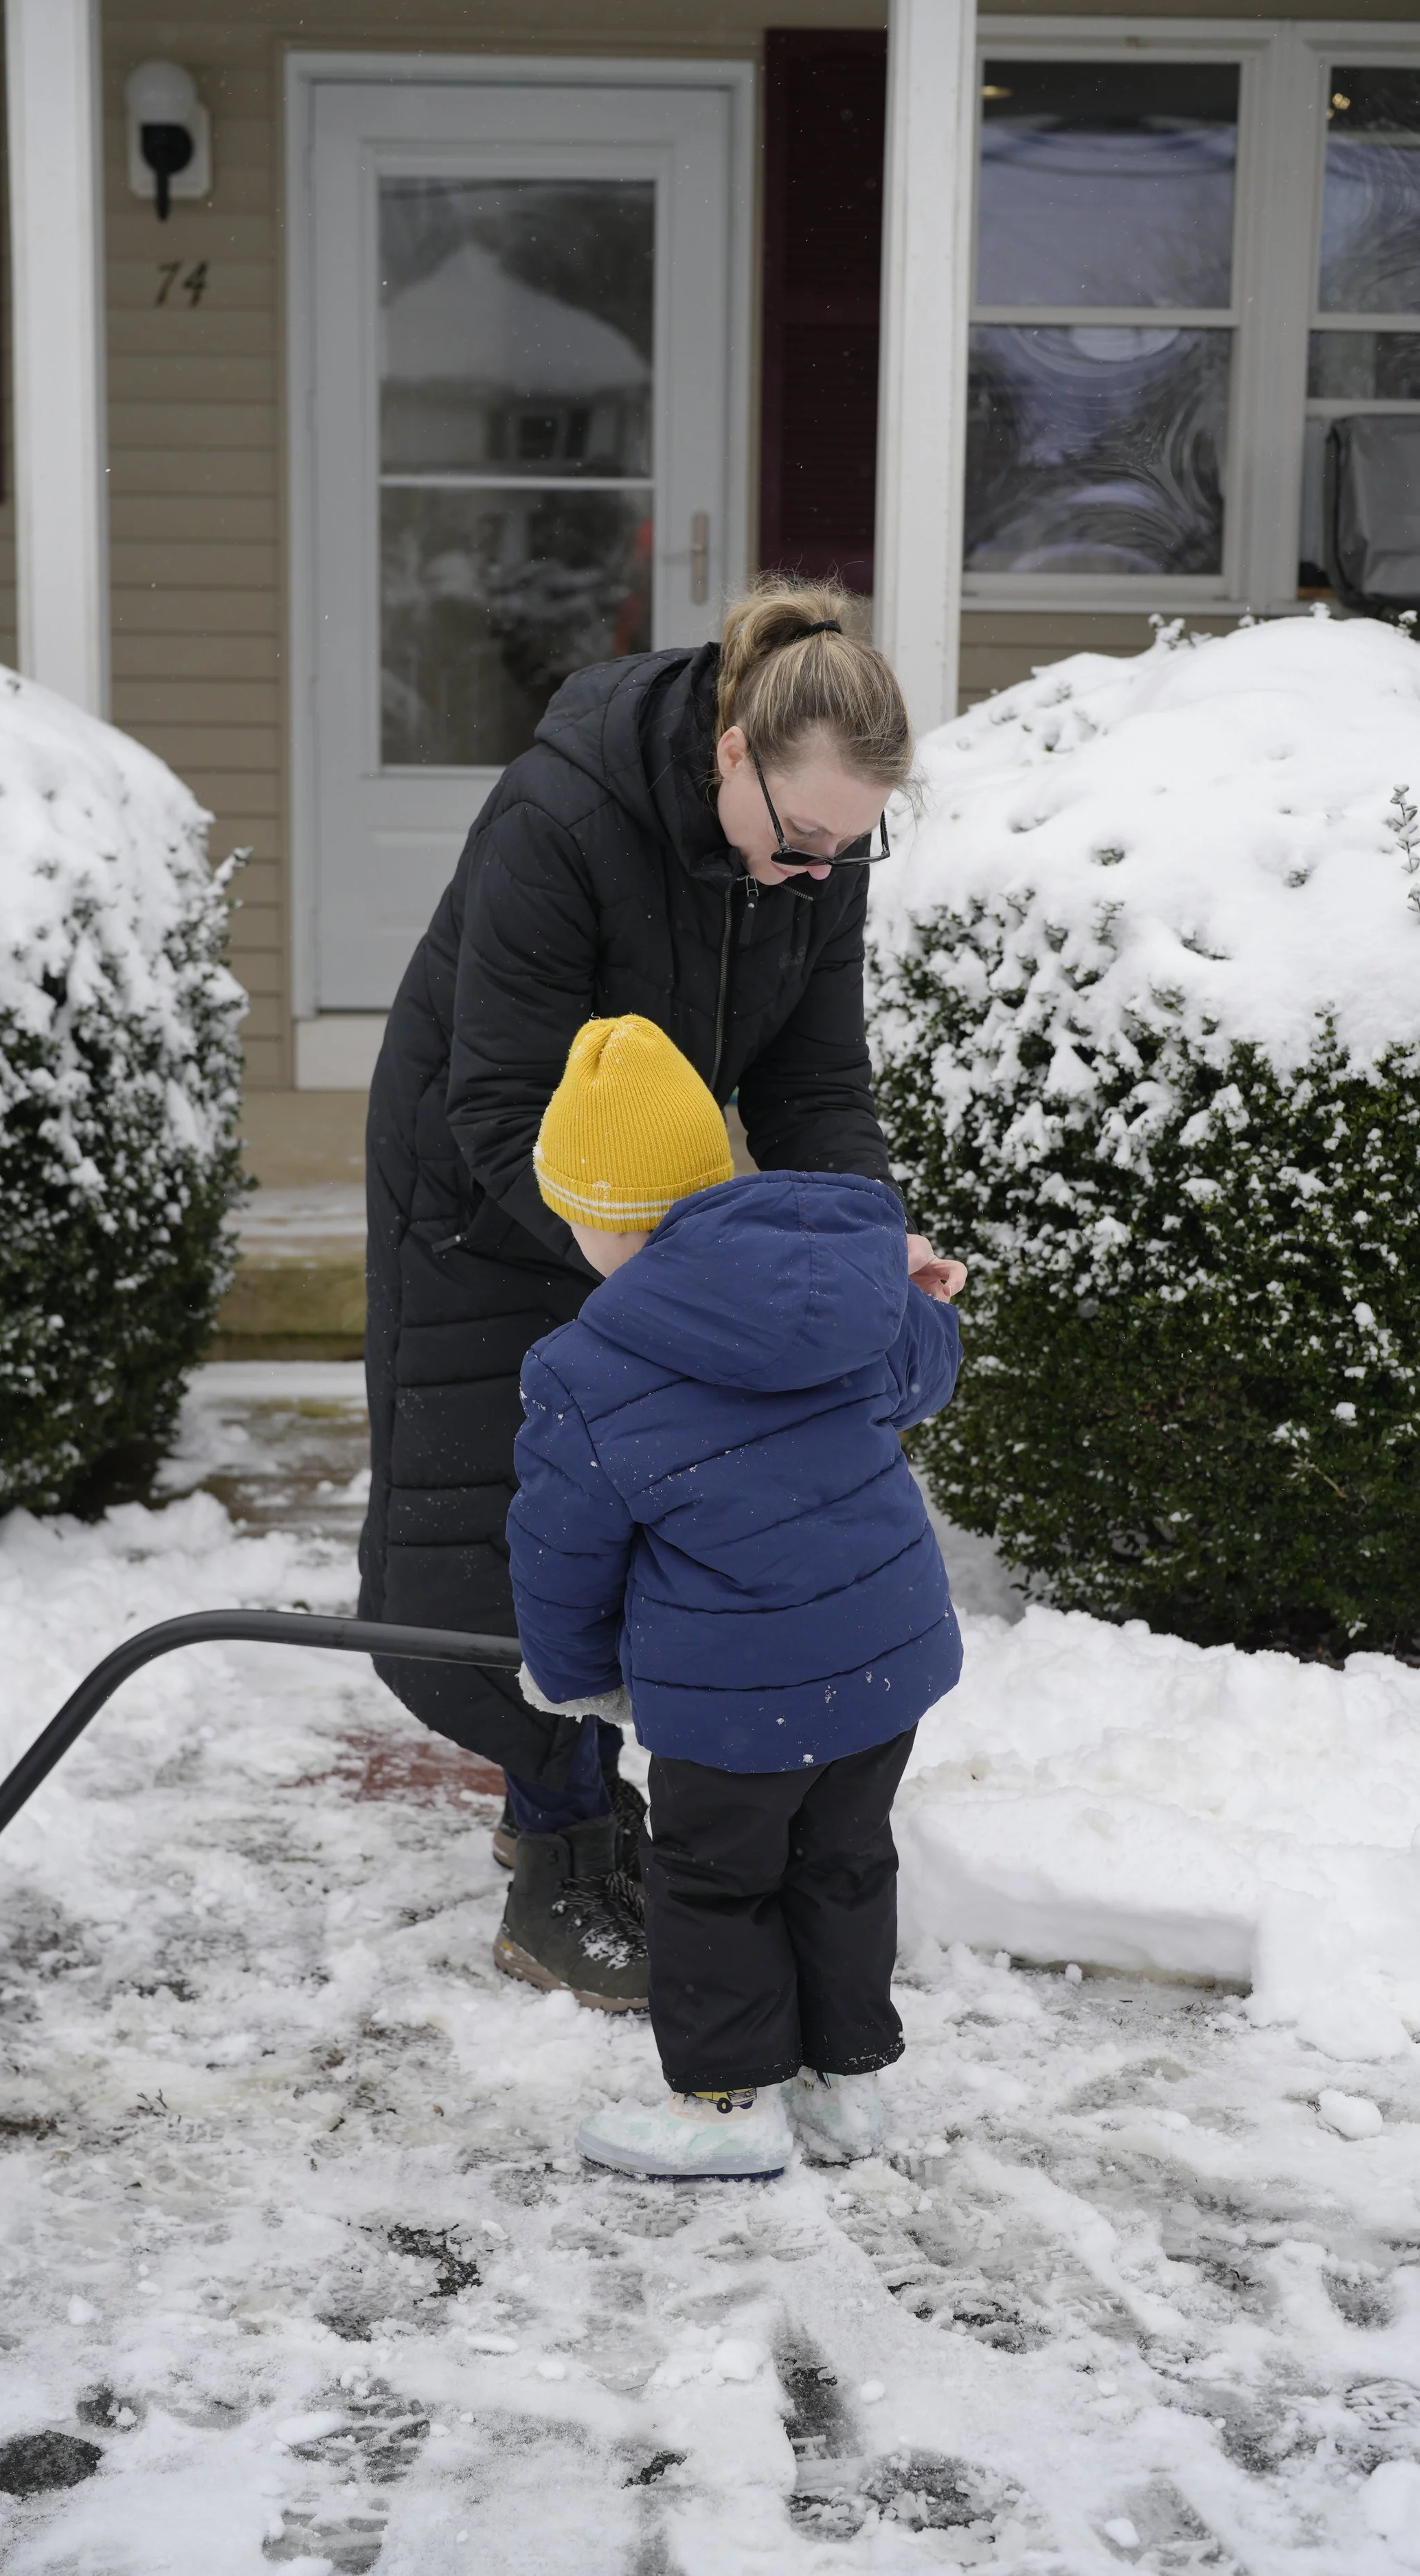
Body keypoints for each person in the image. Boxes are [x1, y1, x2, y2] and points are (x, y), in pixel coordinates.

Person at [360, 574, 962, 2007]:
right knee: (512, 1526)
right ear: (732, 752)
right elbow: (495, 1098)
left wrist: (865, 1243)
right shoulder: (561, 817)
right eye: (800, 840)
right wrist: (661, 1277)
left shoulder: (812, 847)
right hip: (478, 1189)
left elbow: (814, 1080)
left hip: (648, 1206)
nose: (818, 870)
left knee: (664, 1496)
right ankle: (559, 1847)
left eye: (849, 848)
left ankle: (596, 1803)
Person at [507, 1017, 966, 2177]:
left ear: (605, 1220)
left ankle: (725, 2105)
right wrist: (918, 1295)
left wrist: (573, 1676)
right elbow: (925, 1377)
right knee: (844, 1860)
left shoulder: (584, 1369)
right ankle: (844, 2086)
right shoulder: (838, 1283)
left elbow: (561, 1550)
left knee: (714, 1884)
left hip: (734, 1697)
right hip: (881, 1662)